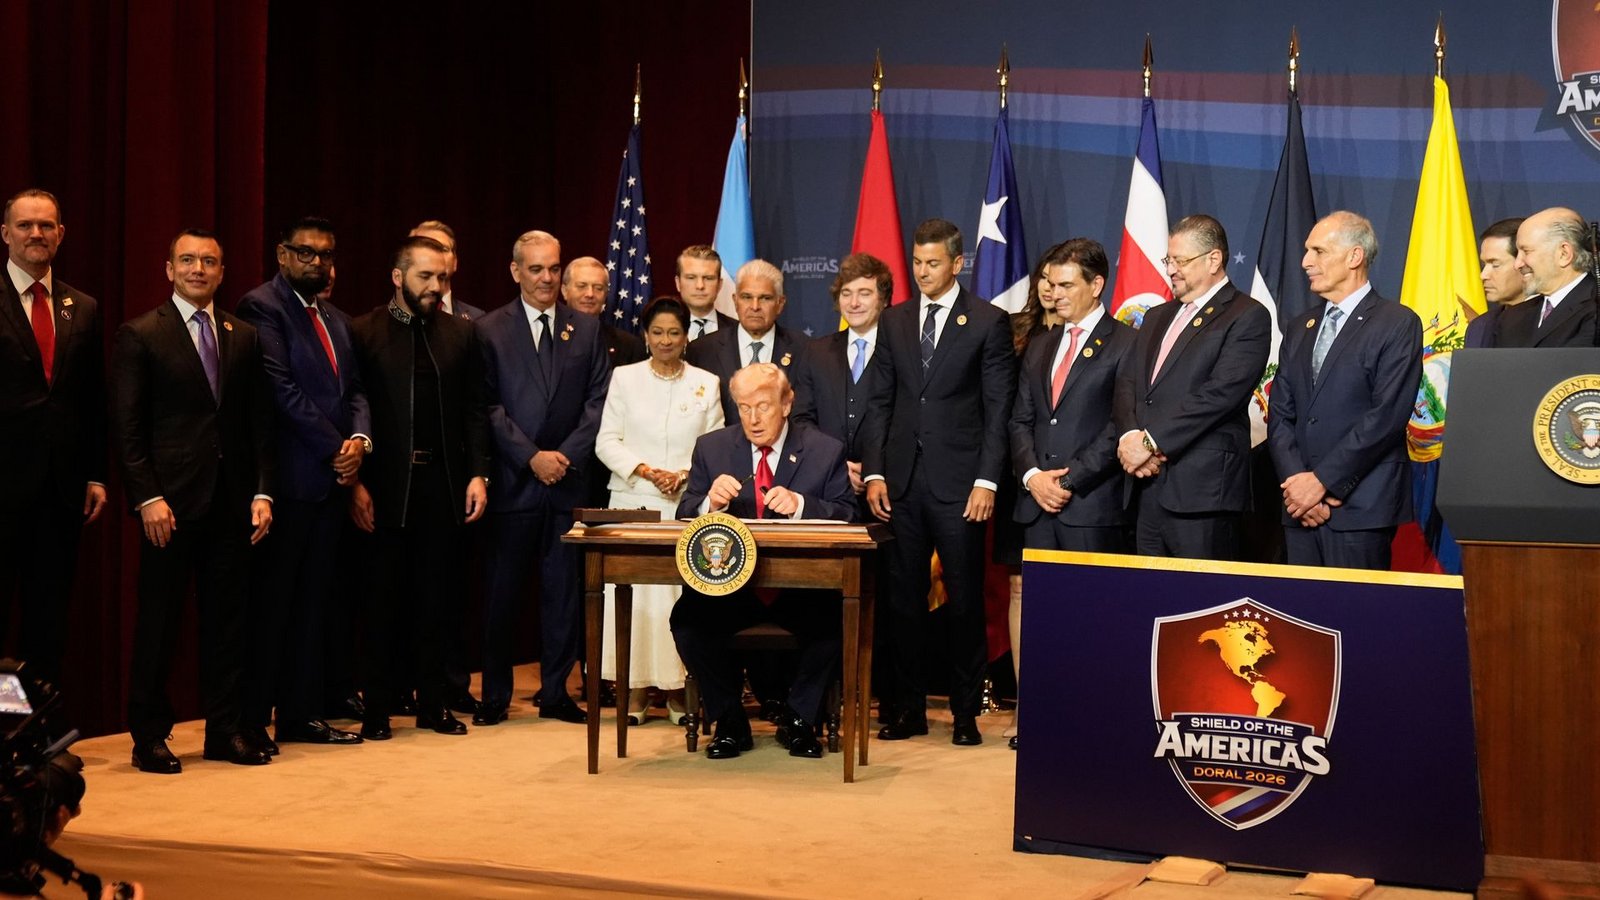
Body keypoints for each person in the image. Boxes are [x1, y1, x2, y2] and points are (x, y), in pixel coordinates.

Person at [111, 229, 275, 773]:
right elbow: (127, 428)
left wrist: (261, 490)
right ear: (169, 269)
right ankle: (149, 737)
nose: (198, 269)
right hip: (169, 508)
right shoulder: (140, 334)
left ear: (222, 272)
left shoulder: (243, 335)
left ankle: (223, 732)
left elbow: (257, 426)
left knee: (228, 624)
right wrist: (147, 497)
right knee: (159, 623)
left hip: (231, 505)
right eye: (188, 260)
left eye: (209, 261)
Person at [864, 218, 1016, 747]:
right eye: (916, 262)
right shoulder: (895, 320)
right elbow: (880, 401)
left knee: (965, 601)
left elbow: (999, 411)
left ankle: (966, 711)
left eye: (932, 263)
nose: (922, 272)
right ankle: (907, 710)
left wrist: (986, 481)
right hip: (901, 483)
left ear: (956, 263)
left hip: (960, 485)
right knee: (902, 601)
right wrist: (877, 470)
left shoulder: (987, 322)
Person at [671, 363, 856, 759]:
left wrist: (803, 504)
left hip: (801, 587)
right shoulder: (713, 448)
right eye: (743, 408)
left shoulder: (825, 450)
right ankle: (729, 720)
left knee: (835, 619)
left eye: (764, 407)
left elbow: (848, 513)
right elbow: (684, 514)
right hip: (733, 586)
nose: (754, 419)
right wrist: (709, 504)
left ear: (787, 403)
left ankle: (800, 719)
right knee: (687, 622)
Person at [347, 235, 490, 740]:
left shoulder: (461, 334)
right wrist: (355, 484)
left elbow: (475, 410)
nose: (435, 286)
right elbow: (353, 408)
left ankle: (434, 706)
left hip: (443, 488)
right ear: (397, 276)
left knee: (438, 603)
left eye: (443, 278)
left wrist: (478, 473)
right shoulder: (362, 332)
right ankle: (377, 711)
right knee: (382, 603)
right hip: (385, 488)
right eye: (425, 277)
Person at [234, 216, 366, 752]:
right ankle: (253, 719)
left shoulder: (334, 317)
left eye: (326, 255)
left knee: (315, 605)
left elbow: (355, 389)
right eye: (306, 253)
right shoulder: (262, 306)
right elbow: (279, 388)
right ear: (282, 254)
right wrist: (337, 448)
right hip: (286, 483)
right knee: (274, 608)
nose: (317, 262)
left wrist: (360, 442)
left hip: (331, 484)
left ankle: (301, 714)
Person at [474, 230, 610, 727]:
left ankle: (556, 692)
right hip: (514, 482)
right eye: (536, 269)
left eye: (554, 268)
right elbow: (487, 406)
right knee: (502, 595)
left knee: (563, 595)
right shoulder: (488, 329)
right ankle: (494, 696)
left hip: (568, 482)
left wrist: (564, 457)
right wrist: (531, 457)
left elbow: (599, 404)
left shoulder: (588, 329)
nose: (547, 278)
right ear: (516, 272)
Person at [1006, 239, 1135, 751]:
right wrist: (1033, 476)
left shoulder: (1127, 343)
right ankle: (1036, 716)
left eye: (1065, 286)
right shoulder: (1040, 343)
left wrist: (1070, 479)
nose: (1053, 295)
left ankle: (1091, 719)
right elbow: (1020, 419)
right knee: (1038, 617)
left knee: (1091, 619)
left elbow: (1120, 425)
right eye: (1050, 285)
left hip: (1091, 505)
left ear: (1095, 285)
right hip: (1036, 502)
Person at [594, 296, 723, 725]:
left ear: (686, 336)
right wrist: (647, 471)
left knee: (678, 600)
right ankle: (631, 691)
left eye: (674, 332)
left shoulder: (707, 382)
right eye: (657, 332)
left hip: (686, 505)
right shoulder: (624, 379)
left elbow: (716, 444)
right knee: (635, 601)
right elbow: (606, 441)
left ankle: (677, 690)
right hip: (633, 501)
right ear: (645, 335)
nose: (665, 340)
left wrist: (684, 474)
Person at [1112, 214, 1272, 561]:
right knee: (1150, 601)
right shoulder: (1156, 316)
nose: (1171, 270)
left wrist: (1150, 442)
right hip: (1145, 484)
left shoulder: (1247, 315)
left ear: (1214, 259)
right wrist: (1128, 438)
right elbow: (1128, 383)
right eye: (1169, 260)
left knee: (1199, 607)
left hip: (1202, 491)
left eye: (1180, 261)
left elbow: (1221, 394)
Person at [1269, 212, 1423, 569]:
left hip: (1361, 507)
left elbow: (1386, 417)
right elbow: (1281, 413)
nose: (1306, 261)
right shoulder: (1299, 327)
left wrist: (1322, 483)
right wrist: (1298, 486)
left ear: (1354, 257)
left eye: (1318, 251)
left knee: (1359, 620)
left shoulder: (1397, 323)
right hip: (1299, 507)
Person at [0, 189, 107, 690]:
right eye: (25, 225)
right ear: (6, 234)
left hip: (60, 491)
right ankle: (4, 744)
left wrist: (95, 474)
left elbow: (92, 399)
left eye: (46, 225)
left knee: (49, 621)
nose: (36, 234)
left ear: (61, 235)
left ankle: (38, 743)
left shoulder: (80, 307)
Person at [793, 252, 892, 521]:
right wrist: (834, 464)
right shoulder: (816, 351)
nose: (854, 302)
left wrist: (873, 470)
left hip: (886, 494)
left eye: (864, 293)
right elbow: (801, 418)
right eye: (846, 293)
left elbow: (907, 422)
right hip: (824, 491)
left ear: (883, 299)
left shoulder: (899, 351)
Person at [686, 259, 807, 424]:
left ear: (780, 304)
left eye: (765, 298)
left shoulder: (804, 349)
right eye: (746, 297)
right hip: (723, 448)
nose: (755, 306)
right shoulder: (702, 351)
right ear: (735, 301)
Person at [1503, 207, 1600, 348]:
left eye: (1526, 251)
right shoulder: (1512, 318)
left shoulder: (1595, 308)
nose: (1517, 264)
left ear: (1564, 254)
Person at [564, 255, 645, 365]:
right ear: (564, 291)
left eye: (598, 288)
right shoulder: (548, 338)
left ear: (606, 294)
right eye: (581, 286)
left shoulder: (630, 346)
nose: (590, 294)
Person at [1465, 217, 1532, 349]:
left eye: (1495, 265)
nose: (1483, 275)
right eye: (1484, 264)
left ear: (1524, 264)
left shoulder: (1552, 321)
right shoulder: (1480, 327)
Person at [411, 220, 486, 321]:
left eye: (443, 249)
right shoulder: (387, 319)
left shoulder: (478, 319)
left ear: (455, 262)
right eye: (428, 248)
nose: (436, 256)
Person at [677, 244, 734, 341]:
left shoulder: (737, 331)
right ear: (678, 283)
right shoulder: (656, 331)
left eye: (708, 278)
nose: (700, 286)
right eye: (691, 278)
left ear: (719, 285)